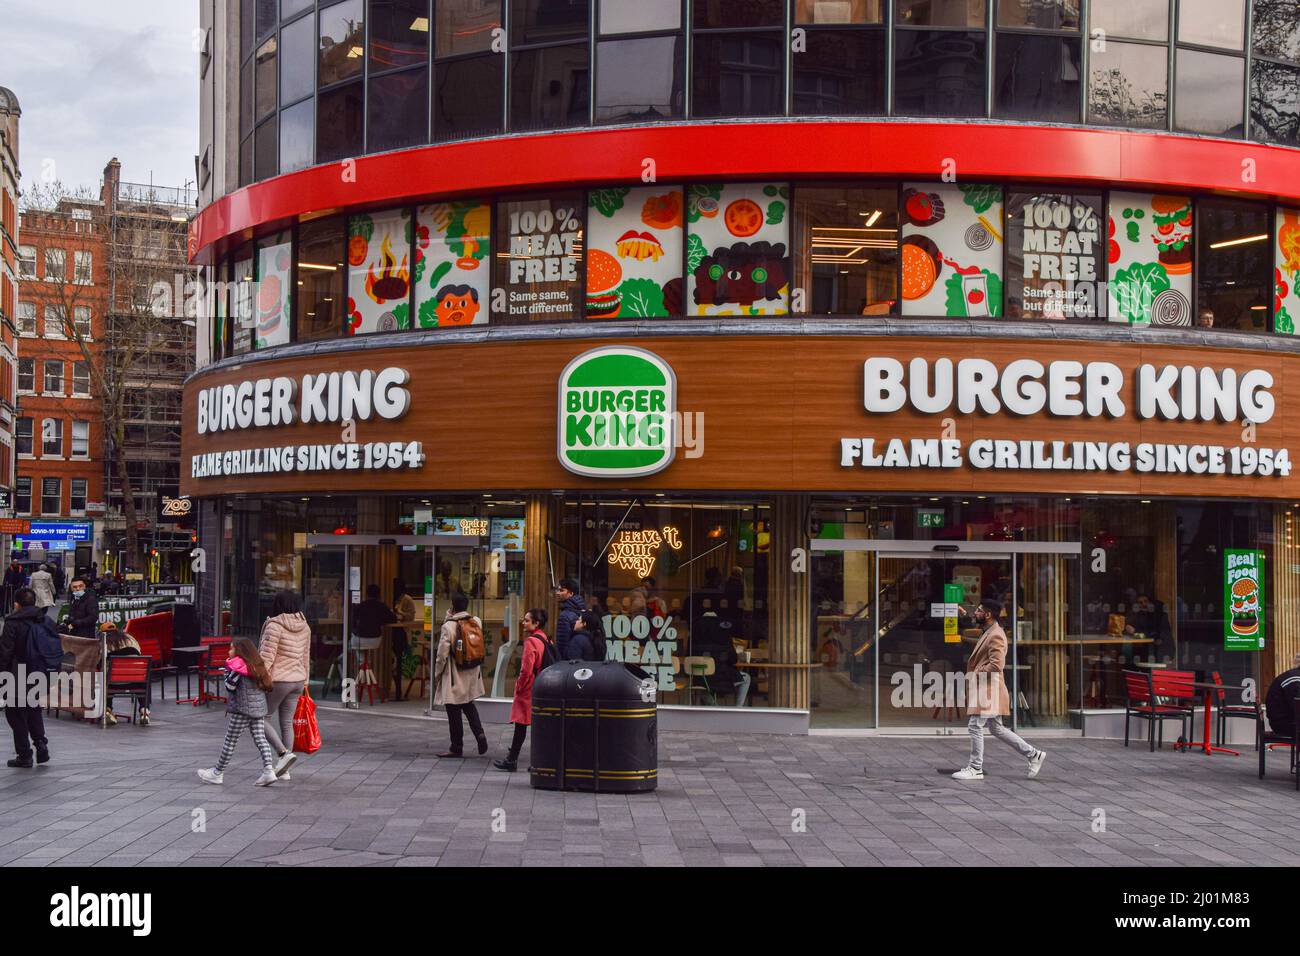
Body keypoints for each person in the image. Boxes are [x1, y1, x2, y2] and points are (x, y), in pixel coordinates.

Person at [952, 598, 1047, 781]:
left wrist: (977, 672)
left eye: (979, 611)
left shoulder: (996, 634)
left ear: (988, 614)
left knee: (975, 725)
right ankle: (1033, 754)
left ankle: (975, 768)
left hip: (989, 688)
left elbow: (996, 665)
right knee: (996, 728)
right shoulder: (989, 631)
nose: (976, 613)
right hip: (988, 687)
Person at [197, 636, 278, 787]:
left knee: (230, 741)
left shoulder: (238, 667)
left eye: (232, 648)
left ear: (240, 651)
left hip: (242, 709)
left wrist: (225, 675)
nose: (229, 650)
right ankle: (268, 771)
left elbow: (230, 687)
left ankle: (217, 773)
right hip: (258, 709)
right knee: (260, 738)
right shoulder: (257, 665)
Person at [258, 589, 312, 781]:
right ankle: (285, 770)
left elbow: (266, 657)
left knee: (260, 718)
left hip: (279, 680)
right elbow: (306, 656)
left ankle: (283, 754)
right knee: (287, 723)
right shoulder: (305, 626)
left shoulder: (274, 626)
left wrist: (258, 678)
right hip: (297, 680)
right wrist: (305, 680)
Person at [494, 608, 552, 773]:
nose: (523, 623)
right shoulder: (544, 638)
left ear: (536, 623)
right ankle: (527, 760)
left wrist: (519, 686)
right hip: (540, 685)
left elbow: (526, 669)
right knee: (533, 725)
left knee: (522, 724)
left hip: (529, 688)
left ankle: (514, 760)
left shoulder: (531, 642)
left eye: (527, 620)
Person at [433, 592, 487, 758]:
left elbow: (442, 655)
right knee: (469, 704)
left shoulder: (448, 626)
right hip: (471, 671)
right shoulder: (476, 621)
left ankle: (456, 746)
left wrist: (437, 674)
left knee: (453, 709)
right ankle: (480, 734)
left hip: (454, 673)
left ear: (453, 606)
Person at [0, 588, 50, 767]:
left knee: (15, 714)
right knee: (33, 709)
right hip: (40, 671)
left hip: (17, 672)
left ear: (16, 604)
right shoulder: (43, 619)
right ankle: (41, 744)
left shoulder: (12, 622)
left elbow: (5, 653)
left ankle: (24, 754)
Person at [1264, 653, 1300, 740]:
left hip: (1285, 721)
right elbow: (1296, 707)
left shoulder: (1294, 676)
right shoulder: (1294, 680)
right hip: (1284, 725)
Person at [392, 582, 417, 701]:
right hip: (394, 631)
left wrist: (400, 613)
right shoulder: (393, 598)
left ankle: (399, 692)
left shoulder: (407, 600)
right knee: (395, 661)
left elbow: (411, 617)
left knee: (399, 660)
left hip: (402, 632)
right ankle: (397, 690)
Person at [554, 577, 586, 659]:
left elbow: (562, 645)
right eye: (558, 590)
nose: (557, 593)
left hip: (568, 662)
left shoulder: (565, 616)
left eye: (561, 590)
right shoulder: (581, 609)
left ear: (571, 593)